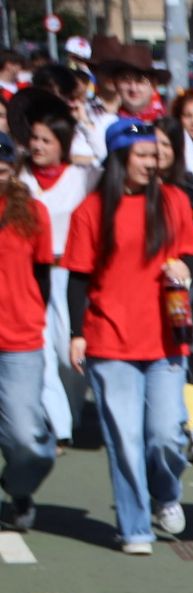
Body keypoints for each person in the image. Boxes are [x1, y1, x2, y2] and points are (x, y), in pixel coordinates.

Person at [62, 118, 193, 555]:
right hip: (109, 339)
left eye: (154, 155)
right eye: (141, 155)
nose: (150, 162)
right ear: (120, 159)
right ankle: (134, 527)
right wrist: (77, 332)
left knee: (165, 434)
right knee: (123, 436)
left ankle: (165, 491)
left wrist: (184, 271)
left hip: (165, 338)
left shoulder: (175, 201)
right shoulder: (91, 210)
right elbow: (79, 278)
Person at [20, 99, 97, 445]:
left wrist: (86, 124)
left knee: (70, 353)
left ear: (62, 145)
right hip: (29, 272)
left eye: (46, 140)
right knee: (40, 347)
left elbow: (110, 159)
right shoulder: (19, 179)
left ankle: (72, 409)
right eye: (34, 138)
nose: (37, 146)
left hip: (70, 273)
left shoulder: (83, 178)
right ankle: (57, 424)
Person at [0, 131, 56, 532]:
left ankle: (19, 485)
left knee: (25, 437)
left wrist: (32, 314)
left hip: (19, 337)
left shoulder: (33, 213)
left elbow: (42, 277)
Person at [154, 117, 193, 464]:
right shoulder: (133, 185)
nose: (160, 152)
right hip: (142, 290)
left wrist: (188, 281)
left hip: (185, 287)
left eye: (168, 145)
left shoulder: (189, 188)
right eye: (156, 144)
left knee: (186, 351)